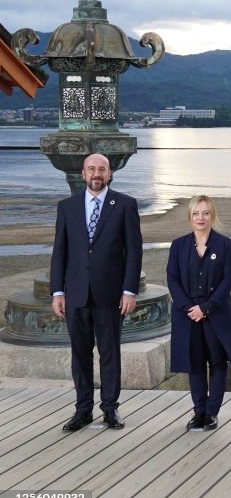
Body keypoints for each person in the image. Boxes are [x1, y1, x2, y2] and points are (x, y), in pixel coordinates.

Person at [50, 153, 142, 431]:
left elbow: (133, 253)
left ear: (110, 173)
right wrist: (57, 292)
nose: (96, 173)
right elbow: (59, 253)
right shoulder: (67, 207)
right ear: (83, 173)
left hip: (111, 295)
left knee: (109, 353)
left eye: (102, 169)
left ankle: (110, 409)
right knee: (80, 354)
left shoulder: (125, 205)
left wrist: (129, 290)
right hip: (75, 294)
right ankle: (82, 410)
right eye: (91, 169)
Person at [167, 195, 231, 432]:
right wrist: (189, 308)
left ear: (212, 216)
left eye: (205, 213)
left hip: (215, 313)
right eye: (196, 213)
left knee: (218, 363)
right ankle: (198, 412)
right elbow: (172, 278)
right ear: (190, 216)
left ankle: (212, 413)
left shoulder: (224, 245)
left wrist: (206, 308)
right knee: (195, 364)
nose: (201, 218)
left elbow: (227, 280)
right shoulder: (178, 245)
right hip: (187, 314)